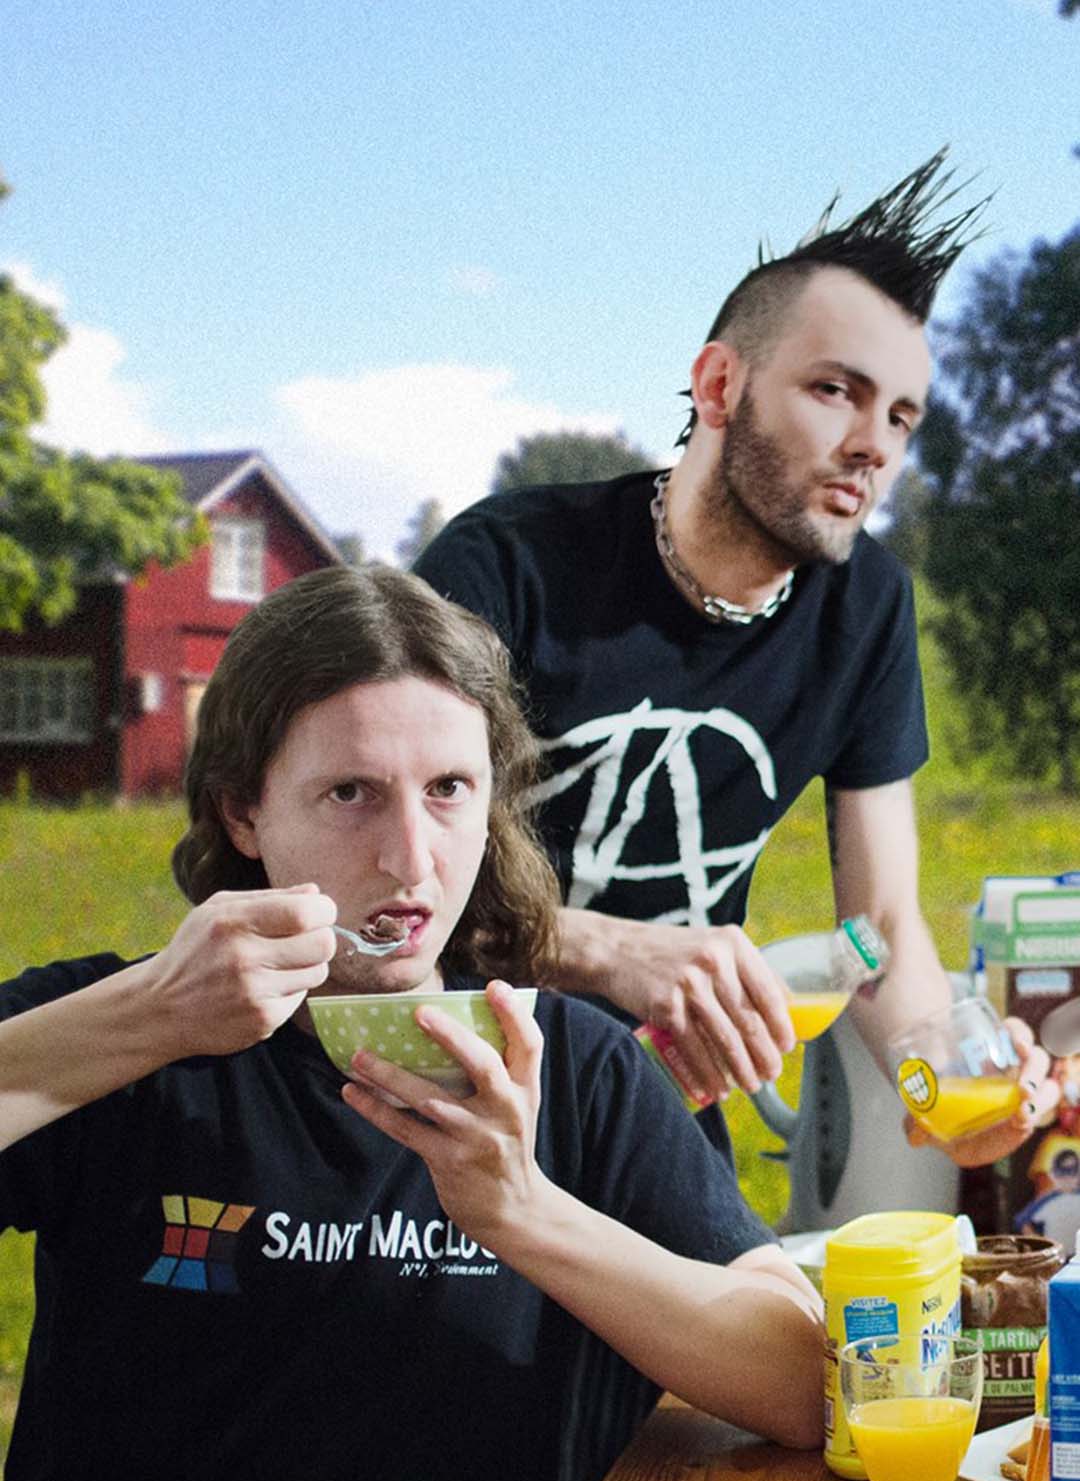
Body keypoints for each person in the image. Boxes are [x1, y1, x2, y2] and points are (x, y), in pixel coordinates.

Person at [0, 564, 822, 1481]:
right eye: (350, 795)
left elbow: (800, 1373)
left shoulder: (573, 1068)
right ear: (242, 812)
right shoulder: (112, 1034)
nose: (411, 858)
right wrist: (148, 1019)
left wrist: (522, 1212)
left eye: (449, 791)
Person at [415, 150, 1052, 1169]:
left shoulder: (869, 607)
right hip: (451, 1108)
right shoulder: (504, 567)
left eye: (900, 417)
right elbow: (382, 881)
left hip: (659, 1119)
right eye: (836, 391)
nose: (874, 446)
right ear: (720, 385)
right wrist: (608, 949)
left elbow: (883, 928)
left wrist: (947, 1092)